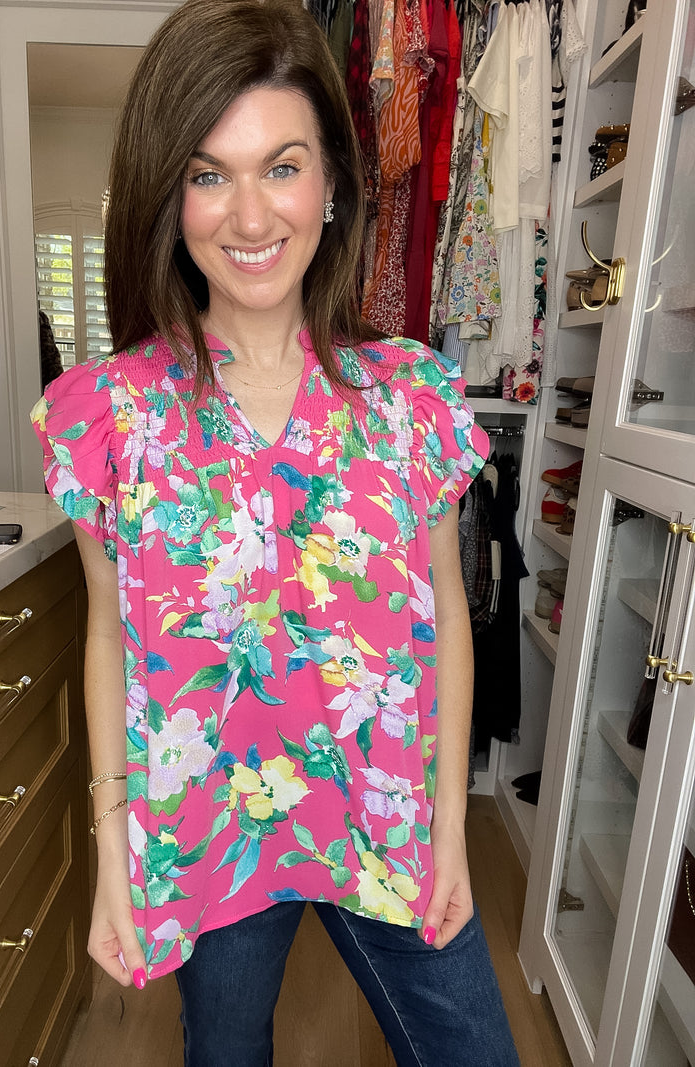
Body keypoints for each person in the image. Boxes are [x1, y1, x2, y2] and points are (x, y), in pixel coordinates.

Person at [31, 1, 519, 1063]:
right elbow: (109, 632)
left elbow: (447, 611)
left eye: (281, 166)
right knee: (226, 1053)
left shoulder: (409, 399)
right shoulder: (110, 415)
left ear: (332, 181)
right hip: (211, 833)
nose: (248, 215)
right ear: (168, 198)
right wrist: (112, 847)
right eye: (207, 174)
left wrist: (448, 820)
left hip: (386, 821)